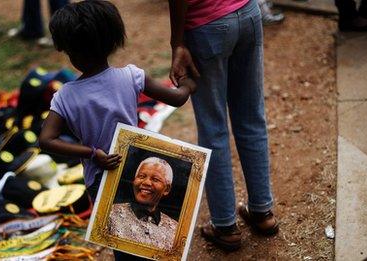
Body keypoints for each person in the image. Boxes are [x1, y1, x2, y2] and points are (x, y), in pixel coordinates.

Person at [38, 0, 195, 251]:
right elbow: (177, 98)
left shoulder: (66, 96)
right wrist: (188, 83)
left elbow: (46, 140)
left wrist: (91, 153)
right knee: (151, 239)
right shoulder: (131, 76)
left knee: (120, 239)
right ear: (113, 40)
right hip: (133, 169)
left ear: (66, 48)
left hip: (99, 177)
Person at [169, 0, 279, 251]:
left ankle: (225, 227)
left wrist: (177, 42)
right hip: (248, 13)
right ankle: (263, 213)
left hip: (206, 25)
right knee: (251, 117)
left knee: (213, 129)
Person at [108, 157, 178, 251]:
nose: (146, 182)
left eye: (155, 179)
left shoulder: (175, 229)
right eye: (141, 176)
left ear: (167, 189)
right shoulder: (109, 213)